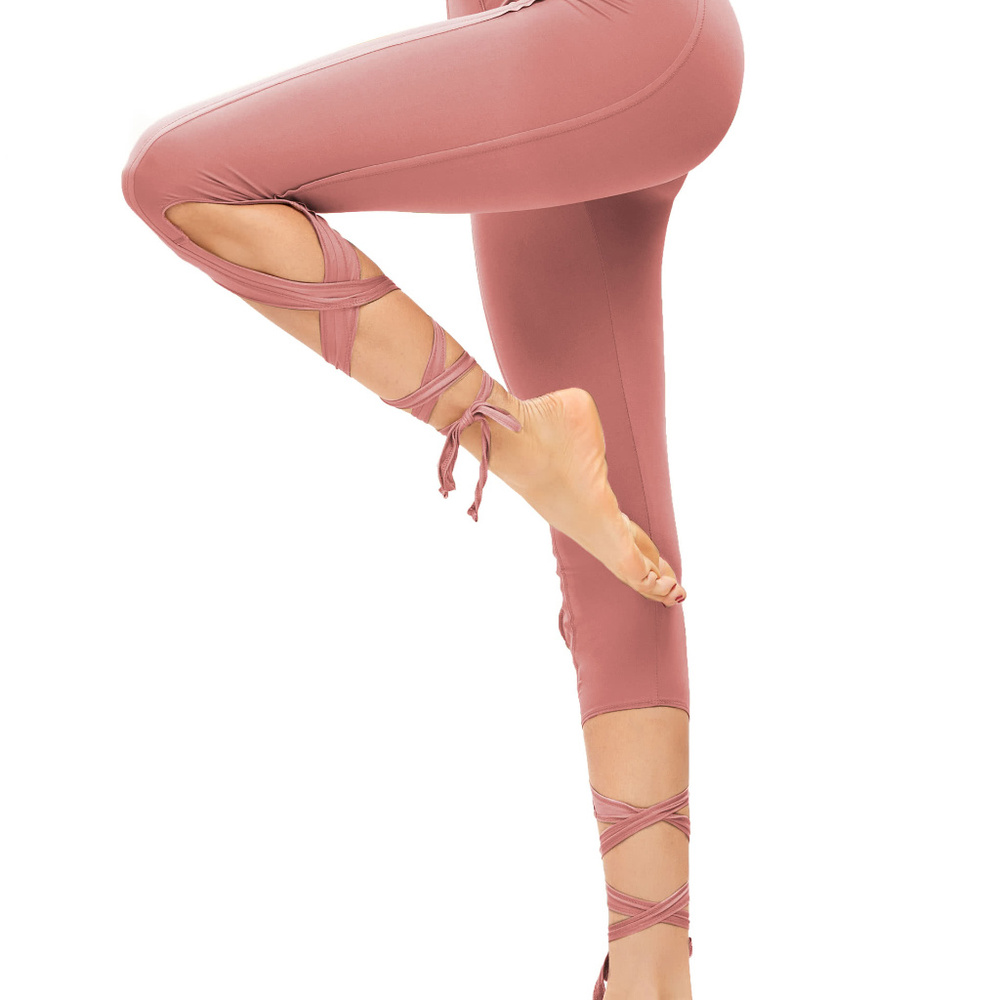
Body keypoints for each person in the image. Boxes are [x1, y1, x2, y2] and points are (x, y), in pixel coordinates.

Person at [120, 0, 744, 996]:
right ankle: (651, 972)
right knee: (613, 551)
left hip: (610, 38)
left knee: (183, 177)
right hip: (578, 58)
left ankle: (510, 438)